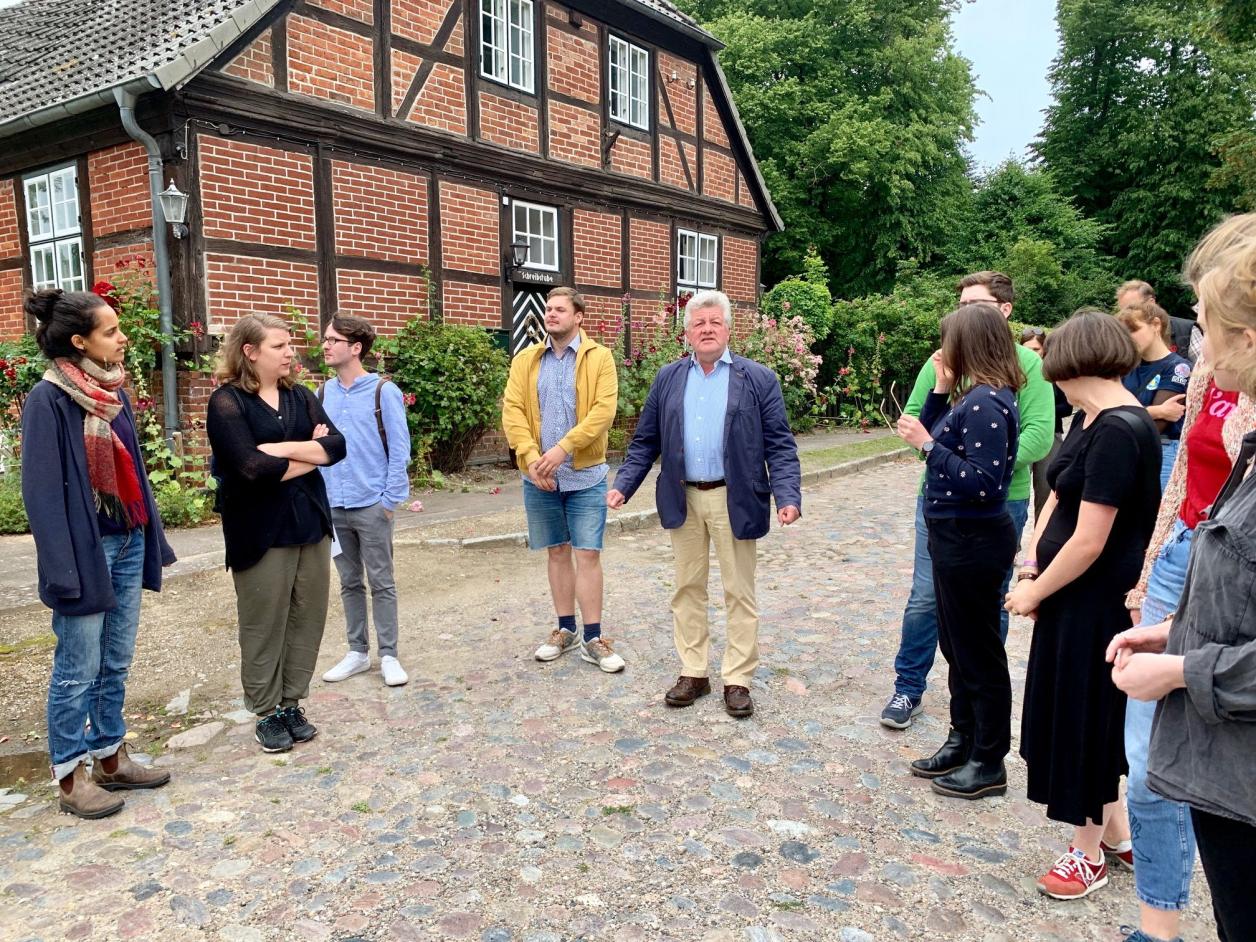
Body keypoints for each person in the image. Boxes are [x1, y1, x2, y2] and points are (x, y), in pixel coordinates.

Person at [1109, 234, 1256, 942]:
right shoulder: (1213, 386)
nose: (1196, 342)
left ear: (1247, 336)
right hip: (1189, 566)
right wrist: (1163, 606)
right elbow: (1183, 485)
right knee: (1156, 765)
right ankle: (1158, 920)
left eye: (1203, 321)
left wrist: (1183, 664)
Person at [1006, 310, 1161, 900]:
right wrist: (1033, 564)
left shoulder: (1122, 430)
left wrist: (1035, 592)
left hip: (1095, 601)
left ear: (1073, 363)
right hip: (1067, 594)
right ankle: (1119, 834)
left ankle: (1086, 852)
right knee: (1072, 715)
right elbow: (1061, 498)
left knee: (1083, 721)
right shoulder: (1091, 418)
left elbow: (1092, 538)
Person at [608, 289, 802, 718]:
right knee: (687, 589)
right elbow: (645, 442)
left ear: (729, 330)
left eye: (715, 322)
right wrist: (624, 484)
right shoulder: (668, 378)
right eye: (699, 323)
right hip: (684, 497)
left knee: (739, 592)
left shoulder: (758, 379)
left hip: (736, 498)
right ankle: (694, 671)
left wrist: (787, 495)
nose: (708, 329)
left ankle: (738, 678)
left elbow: (780, 445)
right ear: (688, 333)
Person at [21, 288, 175, 819]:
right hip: (86, 554)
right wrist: (63, 572)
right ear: (79, 340)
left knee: (115, 660)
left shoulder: (114, 392)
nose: (123, 337)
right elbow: (41, 496)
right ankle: (70, 777)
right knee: (76, 668)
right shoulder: (49, 399)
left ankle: (110, 757)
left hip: (127, 539)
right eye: (111, 331)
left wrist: (150, 535)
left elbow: (135, 474)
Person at [881, 271, 1054, 729]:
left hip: (1001, 501)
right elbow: (916, 425)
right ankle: (909, 687)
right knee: (925, 598)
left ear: (1004, 310)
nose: (964, 315)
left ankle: (980, 710)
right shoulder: (945, 360)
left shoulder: (1026, 367)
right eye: (960, 306)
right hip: (939, 503)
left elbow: (1038, 437)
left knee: (988, 603)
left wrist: (982, 461)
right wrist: (942, 399)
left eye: (974, 306)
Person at [895, 304, 1023, 799]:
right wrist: (941, 390)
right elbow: (930, 434)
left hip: (973, 539)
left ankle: (988, 759)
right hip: (953, 537)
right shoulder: (972, 396)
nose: (941, 350)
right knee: (957, 645)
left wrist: (929, 446)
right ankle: (962, 739)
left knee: (979, 651)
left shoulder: (989, 402)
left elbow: (986, 483)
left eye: (949, 340)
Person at [206, 313, 346, 753]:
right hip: (259, 530)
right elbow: (248, 468)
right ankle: (266, 710)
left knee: (308, 617)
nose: (290, 352)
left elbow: (338, 447)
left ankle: (291, 703)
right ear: (250, 352)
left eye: (289, 345)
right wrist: (312, 454)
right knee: (264, 622)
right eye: (278, 346)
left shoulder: (300, 396)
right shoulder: (227, 402)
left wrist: (281, 451)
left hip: (310, 522)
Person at [501, 287, 624, 672]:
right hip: (539, 477)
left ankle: (593, 637)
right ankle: (565, 629)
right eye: (548, 309)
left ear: (579, 316)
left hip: (585, 475)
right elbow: (513, 410)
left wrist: (562, 449)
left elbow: (603, 412)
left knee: (587, 553)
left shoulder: (600, 358)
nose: (551, 314)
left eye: (560, 309)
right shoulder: (526, 359)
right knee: (557, 551)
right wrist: (533, 458)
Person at [317, 314, 412, 687]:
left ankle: (389, 655)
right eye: (325, 339)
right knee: (348, 582)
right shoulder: (321, 393)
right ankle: (357, 652)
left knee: (382, 582)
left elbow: (399, 449)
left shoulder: (382, 392)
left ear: (355, 348)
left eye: (333, 340)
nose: (325, 345)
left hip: (372, 503)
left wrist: (389, 501)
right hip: (334, 505)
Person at [1117, 298, 1192, 491]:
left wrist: (1122, 413)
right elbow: (1109, 412)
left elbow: (1156, 426)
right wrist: (1156, 410)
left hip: (1162, 450)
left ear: (1156, 325)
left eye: (1133, 330)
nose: (1129, 338)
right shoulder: (1127, 367)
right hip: (1127, 449)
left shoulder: (1178, 367)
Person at [1021, 326, 1074, 519]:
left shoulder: (1054, 374)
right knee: (1019, 489)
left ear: (1044, 349)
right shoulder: (1016, 373)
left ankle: (1041, 538)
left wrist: (1042, 412)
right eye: (1026, 348)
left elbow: (1067, 407)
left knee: (1046, 490)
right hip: (1022, 436)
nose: (1031, 353)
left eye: (1035, 349)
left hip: (1050, 436)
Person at [1118, 279, 1198, 365]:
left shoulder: (1186, 329)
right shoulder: (1123, 340)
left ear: (1151, 302)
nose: (1127, 315)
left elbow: (1205, 369)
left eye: (1133, 308)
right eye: (1124, 311)